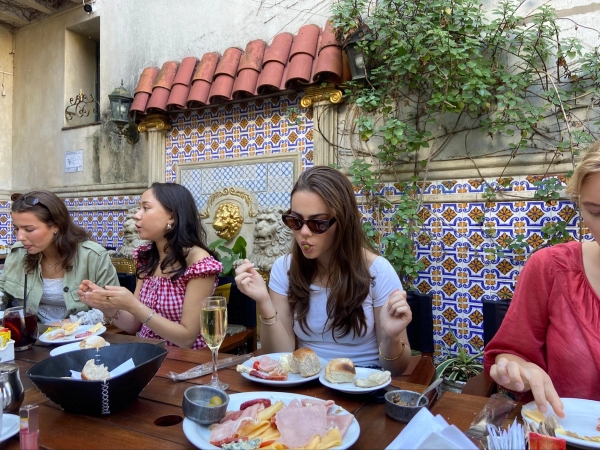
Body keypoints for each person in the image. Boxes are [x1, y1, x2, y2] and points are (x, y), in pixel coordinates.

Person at [235, 166, 412, 375]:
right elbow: (281, 353)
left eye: (317, 223)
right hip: (308, 378)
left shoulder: (377, 270)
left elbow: (397, 369)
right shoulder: (285, 268)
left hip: (362, 379)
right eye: (295, 221)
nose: (304, 232)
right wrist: (264, 302)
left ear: (343, 222)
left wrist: (391, 338)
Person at [484, 140, 600, 418]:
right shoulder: (551, 268)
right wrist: (518, 368)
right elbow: (509, 354)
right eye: (596, 213)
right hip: (561, 434)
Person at [78, 182, 222, 349]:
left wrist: (133, 305)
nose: (137, 215)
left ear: (172, 216)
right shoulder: (147, 258)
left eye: (146, 208)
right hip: (148, 352)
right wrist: (104, 304)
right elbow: (133, 324)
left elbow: (186, 338)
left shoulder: (199, 263)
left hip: (184, 358)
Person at [0, 191, 119, 325]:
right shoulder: (18, 253)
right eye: (16, 229)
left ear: (55, 226)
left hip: (80, 334)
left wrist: (68, 324)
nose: (20, 237)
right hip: (31, 334)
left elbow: (115, 309)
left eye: (29, 229)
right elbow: (1, 290)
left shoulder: (93, 256)